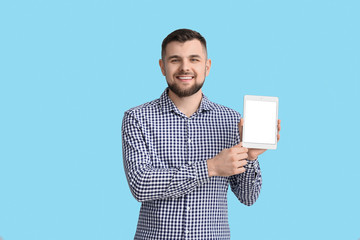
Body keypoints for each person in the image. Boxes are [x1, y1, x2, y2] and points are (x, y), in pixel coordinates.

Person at [122, 28, 281, 240]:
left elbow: (248, 197)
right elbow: (141, 184)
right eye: (175, 60)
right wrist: (211, 167)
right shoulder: (137, 118)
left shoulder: (230, 120)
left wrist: (250, 157)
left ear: (207, 67)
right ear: (162, 67)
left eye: (194, 59)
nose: (185, 67)